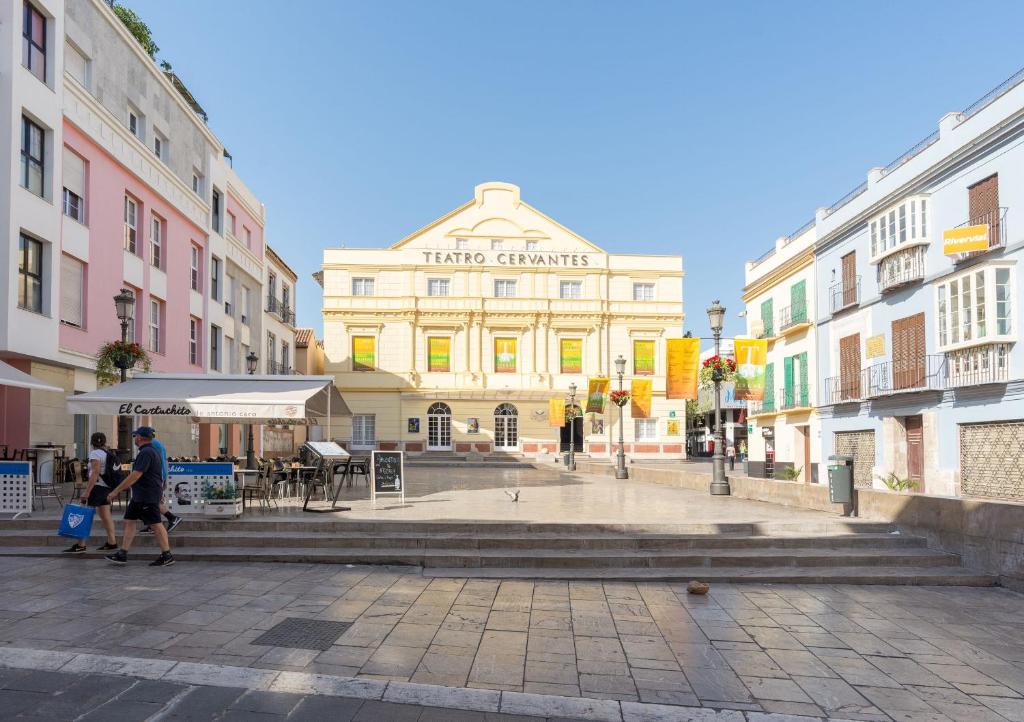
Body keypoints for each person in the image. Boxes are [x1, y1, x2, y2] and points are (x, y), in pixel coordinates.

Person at [105, 427, 175, 567]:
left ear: (140, 438)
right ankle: (123, 553)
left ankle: (167, 555)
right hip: (141, 495)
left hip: (146, 494)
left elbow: (135, 475)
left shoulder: (147, 452)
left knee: (156, 524)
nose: (134, 438)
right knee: (129, 521)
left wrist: (115, 491)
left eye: (135, 436)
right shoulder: (149, 451)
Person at [61, 432, 119, 554]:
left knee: (84, 514)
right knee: (105, 515)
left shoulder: (94, 453)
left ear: (92, 442)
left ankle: (80, 544)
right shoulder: (107, 453)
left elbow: (95, 473)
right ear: (104, 441)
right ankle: (112, 542)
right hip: (106, 487)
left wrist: (87, 491)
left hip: (96, 488)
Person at [139, 430, 181, 534]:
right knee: (151, 502)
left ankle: (172, 518)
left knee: (153, 502)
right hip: (159, 475)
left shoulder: (152, 444)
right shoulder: (157, 444)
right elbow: (163, 460)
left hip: (155, 476)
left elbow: (158, 461)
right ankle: (152, 525)